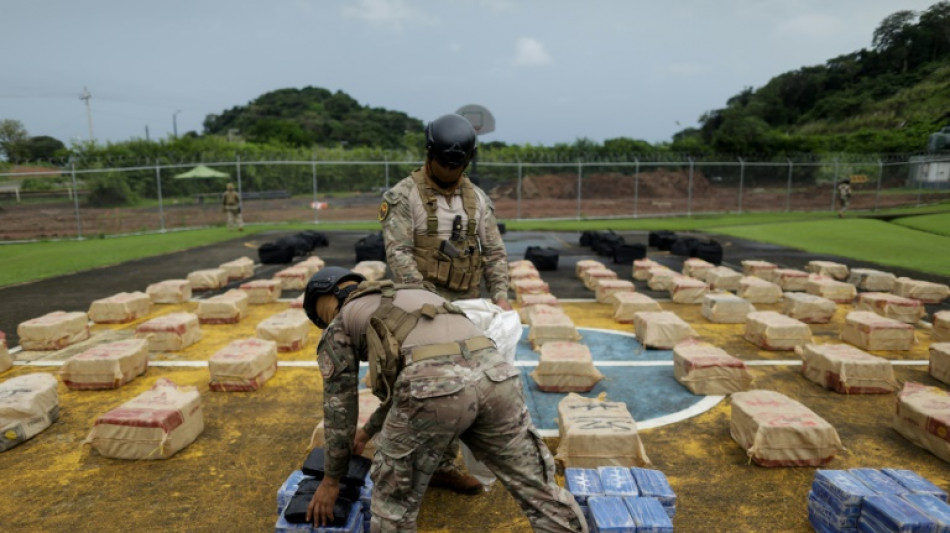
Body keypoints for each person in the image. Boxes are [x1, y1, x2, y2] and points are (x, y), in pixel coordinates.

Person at [302, 267, 587, 532]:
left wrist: (331, 481)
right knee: (540, 490)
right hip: (498, 377)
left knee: (393, 505)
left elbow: (340, 409)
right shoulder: (411, 295)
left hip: (435, 390)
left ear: (322, 301)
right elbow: (405, 387)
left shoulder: (339, 325)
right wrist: (367, 432)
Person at [380, 113, 511, 310]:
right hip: (421, 304)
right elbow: (399, 253)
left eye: (455, 166)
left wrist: (500, 298)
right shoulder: (404, 196)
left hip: (467, 304)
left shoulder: (478, 199)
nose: (449, 170)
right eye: (443, 164)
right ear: (430, 154)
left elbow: (494, 254)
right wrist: (424, 301)